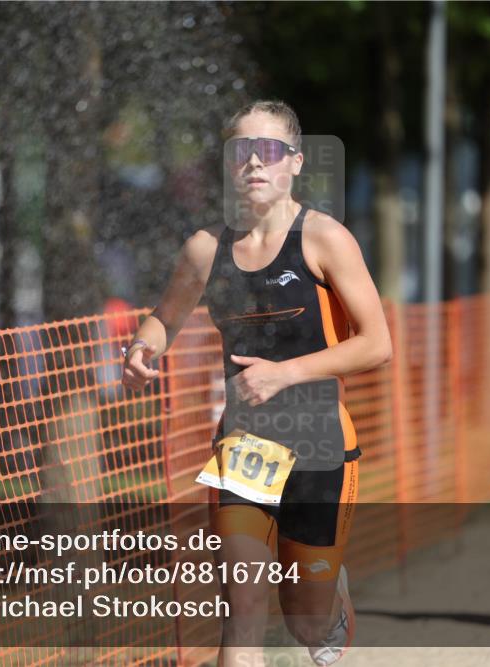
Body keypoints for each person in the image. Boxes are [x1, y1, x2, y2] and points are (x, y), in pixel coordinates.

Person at [122, 100, 392, 666]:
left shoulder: (324, 238)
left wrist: (287, 373)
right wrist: (143, 346)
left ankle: (328, 604)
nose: (253, 164)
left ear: (294, 162)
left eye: (267, 151)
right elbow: (165, 317)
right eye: (240, 153)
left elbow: (377, 344)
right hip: (244, 445)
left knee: (305, 622)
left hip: (321, 444)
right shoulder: (206, 249)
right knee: (241, 612)